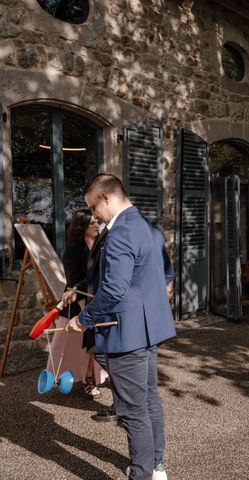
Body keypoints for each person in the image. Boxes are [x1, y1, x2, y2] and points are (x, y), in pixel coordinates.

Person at [65, 173, 176, 479]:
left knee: (132, 410)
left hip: (127, 334)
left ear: (105, 198)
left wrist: (82, 319)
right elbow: (166, 273)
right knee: (148, 398)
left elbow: (114, 290)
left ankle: (141, 474)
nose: (94, 216)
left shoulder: (121, 232)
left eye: (94, 208)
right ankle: (156, 466)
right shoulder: (148, 228)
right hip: (149, 329)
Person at [47, 210, 108, 399]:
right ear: (82, 228)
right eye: (92, 223)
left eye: (97, 221)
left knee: (94, 347)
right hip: (79, 305)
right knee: (85, 348)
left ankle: (92, 377)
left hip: (96, 303)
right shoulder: (73, 251)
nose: (97, 225)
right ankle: (88, 381)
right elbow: (73, 283)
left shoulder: (100, 247)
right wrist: (84, 312)